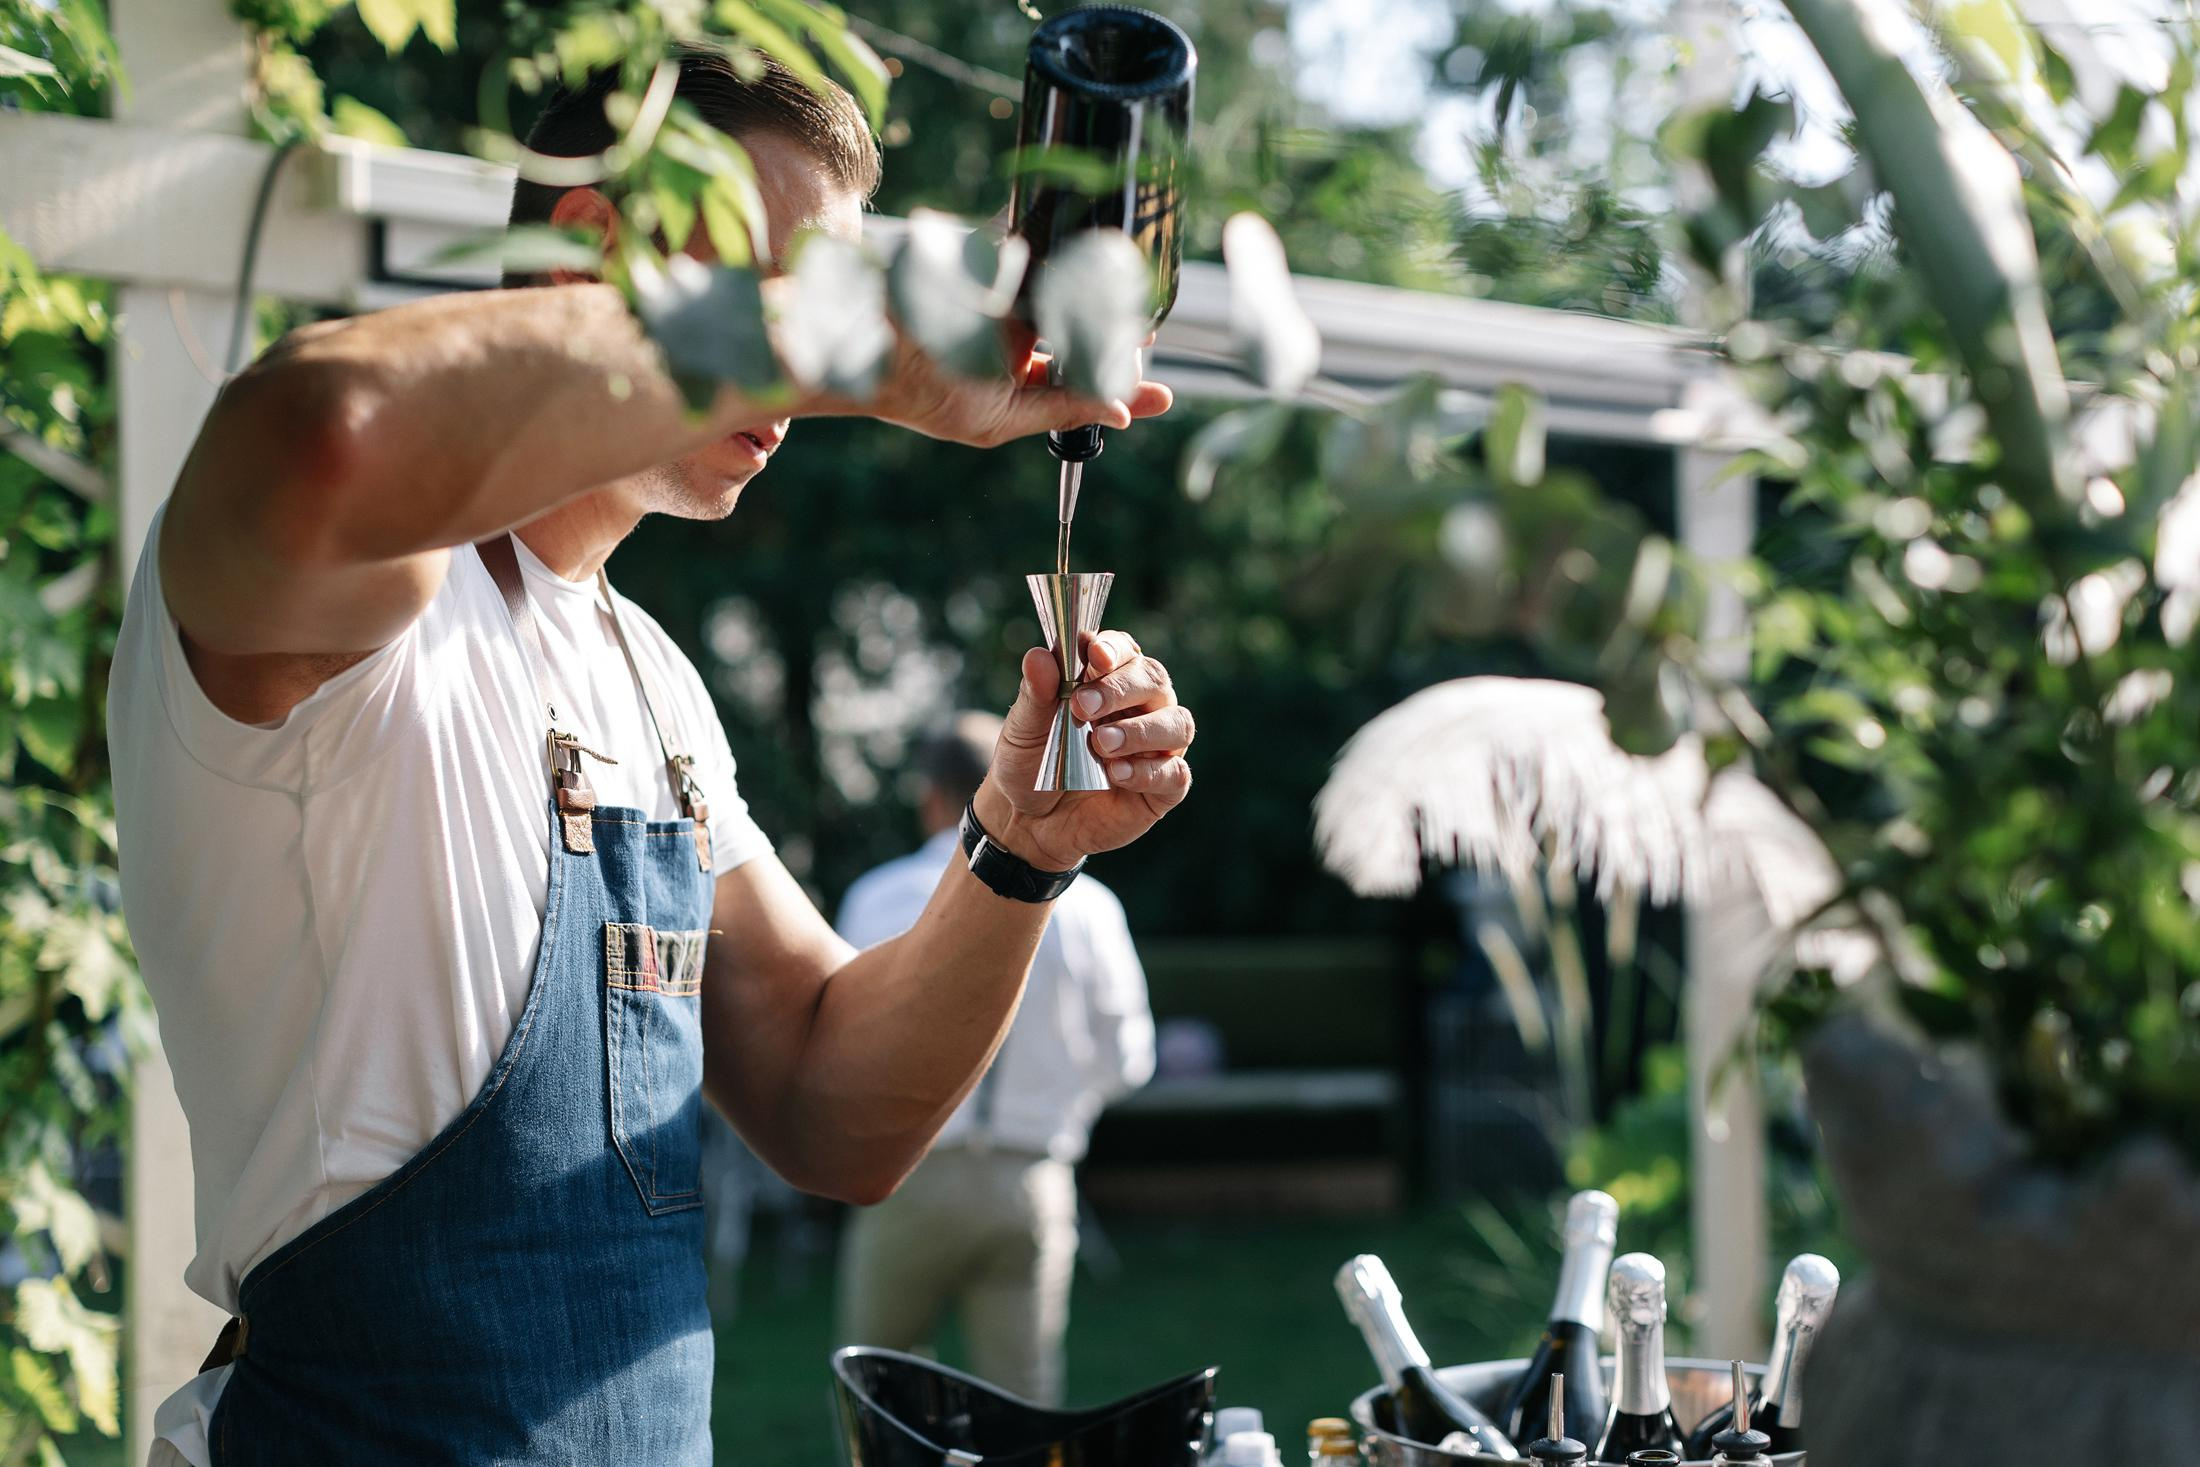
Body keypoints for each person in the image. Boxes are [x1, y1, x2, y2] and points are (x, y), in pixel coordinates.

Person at [110, 48, 1194, 1467]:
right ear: (586, 250)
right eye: (780, 283)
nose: (808, 348)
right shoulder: (384, 605)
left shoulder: (653, 680)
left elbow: (831, 1107)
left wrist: (1017, 842)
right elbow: (325, 429)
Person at [834, 712, 1156, 1405]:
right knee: (1024, 1401)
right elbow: (1130, 1059)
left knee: (879, 1393)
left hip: (907, 1170)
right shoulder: (1092, 906)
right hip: (1031, 1175)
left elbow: (842, 1045)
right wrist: (1064, 1101)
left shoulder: (880, 895)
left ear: (931, 796)